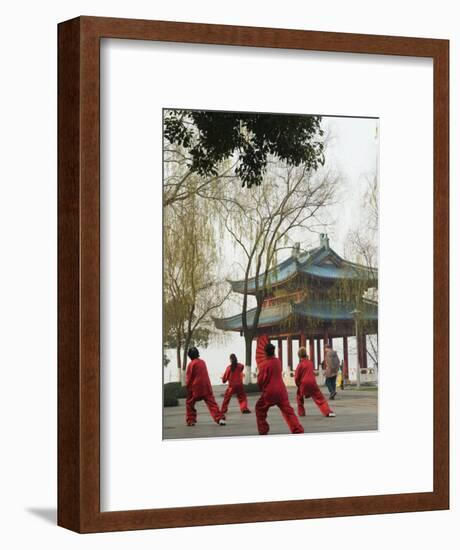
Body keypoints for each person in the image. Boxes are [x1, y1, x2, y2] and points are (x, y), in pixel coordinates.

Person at [255, 342, 304, 435]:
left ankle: (263, 429)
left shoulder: (264, 365)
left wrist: (262, 389)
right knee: (288, 412)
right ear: (274, 352)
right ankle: (297, 430)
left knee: (259, 408)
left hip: (269, 392)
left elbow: (260, 381)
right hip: (282, 392)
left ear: (265, 353)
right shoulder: (278, 361)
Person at [185, 347, 226, 427]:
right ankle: (220, 419)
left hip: (196, 388)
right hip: (206, 387)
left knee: (189, 403)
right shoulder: (202, 362)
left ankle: (191, 420)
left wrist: (188, 389)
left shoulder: (191, 364)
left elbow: (189, 379)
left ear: (189, 356)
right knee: (212, 404)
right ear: (198, 353)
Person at [294, 347, 335, 417]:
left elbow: (296, 378)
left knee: (299, 396)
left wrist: (299, 386)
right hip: (313, 383)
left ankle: (301, 412)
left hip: (304, 384)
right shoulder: (310, 363)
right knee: (320, 398)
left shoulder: (300, 365)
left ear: (299, 356)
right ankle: (328, 412)